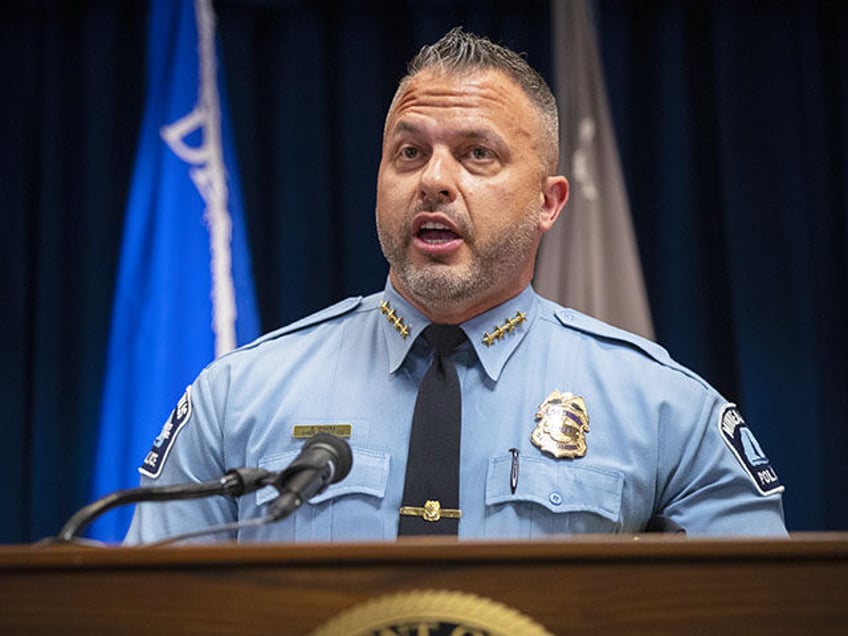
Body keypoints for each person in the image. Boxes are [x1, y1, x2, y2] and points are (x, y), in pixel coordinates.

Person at [125, 28, 786, 544]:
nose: (434, 181)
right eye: (408, 153)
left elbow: (758, 609)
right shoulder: (237, 396)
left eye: (477, 154)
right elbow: (147, 611)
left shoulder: (664, 408)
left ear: (549, 203)